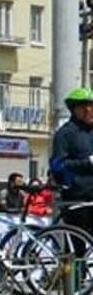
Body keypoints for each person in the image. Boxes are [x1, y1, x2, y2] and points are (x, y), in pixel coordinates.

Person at [50, 88, 93, 230]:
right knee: (78, 247)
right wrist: (87, 162)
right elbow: (57, 165)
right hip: (77, 197)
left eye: (92, 106)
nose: (89, 110)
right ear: (74, 109)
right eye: (84, 107)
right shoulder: (65, 134)